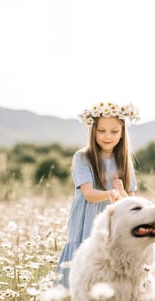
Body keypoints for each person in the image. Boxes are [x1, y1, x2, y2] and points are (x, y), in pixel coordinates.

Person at [57, 101, 140, 288]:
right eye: (101, 130)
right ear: (93, 130)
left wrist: (121, 192)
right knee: (82, 267)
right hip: (86, 222)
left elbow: (131, 202)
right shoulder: (83, 157)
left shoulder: (124, 162)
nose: (107, 136)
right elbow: (88, 193)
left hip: (112, 224)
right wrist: (109, 192)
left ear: (122, 133)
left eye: (114, 131)